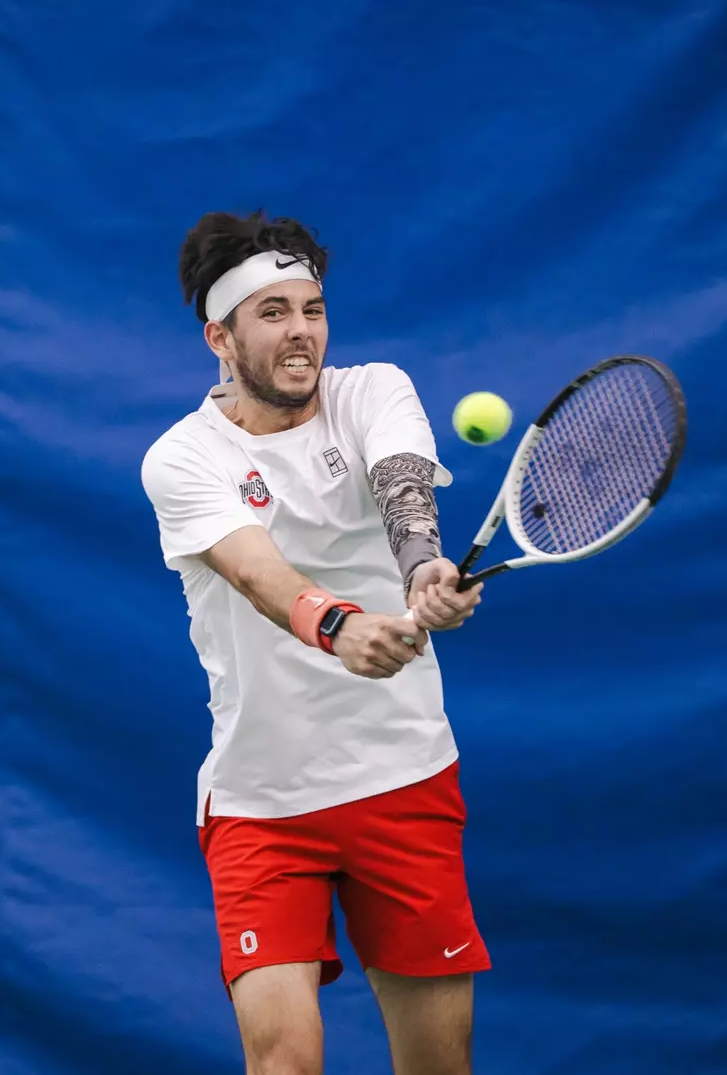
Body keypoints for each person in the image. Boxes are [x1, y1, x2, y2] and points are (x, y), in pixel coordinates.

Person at [139, 210, 490, 1075]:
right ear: (219, 337)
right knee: (284, 1059)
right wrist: (341, 628)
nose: (302, 332)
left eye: (313, 309)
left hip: (404, 778)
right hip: (262, 802)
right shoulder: (181, 460)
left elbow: (404, 491)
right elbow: (260, 575)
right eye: (274, 313)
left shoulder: (374, 391)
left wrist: (420, 578)